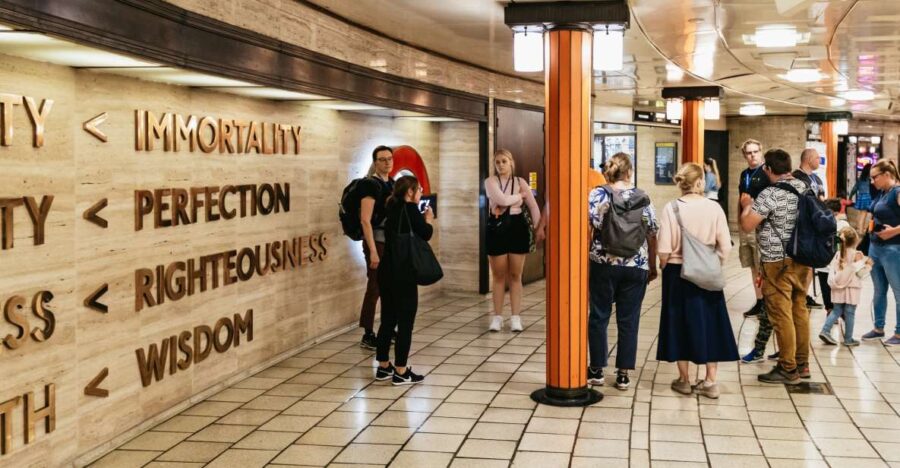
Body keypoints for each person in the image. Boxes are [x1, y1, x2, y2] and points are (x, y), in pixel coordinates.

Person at [656, 163, 738, 399]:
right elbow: (725, 246)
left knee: (679, 323)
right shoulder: (714, 209)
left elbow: (664, 249)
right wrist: (712, 264)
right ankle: (710, 381)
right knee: (711, 322)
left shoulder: (671, 209)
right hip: (707, 274)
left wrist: (664, 266)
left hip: (677, 273)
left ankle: (684, 379)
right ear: (700, 182)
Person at [587, 153, 658, 390]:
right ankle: (623, 373)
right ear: (630, 171)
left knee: (599, 315)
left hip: (603, 263)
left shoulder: (598, 194)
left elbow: (592, 223)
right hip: (635, 265)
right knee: (629, 320)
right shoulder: (643, 196)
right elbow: (652, 231)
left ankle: (596, 369)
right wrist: (652, 265)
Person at [739, 149, 811, 384]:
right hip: (803, 260)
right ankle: (802, 363)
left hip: (777, 262)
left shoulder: (770, 193)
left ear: (768, 169)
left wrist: (747, 205)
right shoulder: (806, 188)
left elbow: (748, 225)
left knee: (781, 315)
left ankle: (788, 368)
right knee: (799, 309)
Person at [374, 176, 434, 385]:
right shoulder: (410, 210)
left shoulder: (391, 208)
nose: (421, 193)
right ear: (410, 191)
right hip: (404, 274)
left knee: (388, 320)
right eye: (419, 189)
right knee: (406, 322)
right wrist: (428, 219)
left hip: (386, 271)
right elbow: (426, 234)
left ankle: (383, 366)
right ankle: (401, 370)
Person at [484, 149, 540, 332]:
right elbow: (501, 199)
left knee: (516, 275)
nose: (500, 165)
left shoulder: (520, 181)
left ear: (511, 162)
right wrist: (519, 197)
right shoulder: (490, 182)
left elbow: (533, 205)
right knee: (499, 275)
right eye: (497, 162)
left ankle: (516, 317)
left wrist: (539, 229)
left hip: (518, 228)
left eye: (504, 161)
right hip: (497, 228)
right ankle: (497, 317)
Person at [860, 160, 900, 346]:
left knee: (898, 291)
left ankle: (899, 333)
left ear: (886, 174)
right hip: (875, 247)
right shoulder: (883, 193)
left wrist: (892, 231)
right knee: (879, 290)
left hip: (893, 249)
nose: (873, 181)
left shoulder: (897, 192)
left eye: (875, 177)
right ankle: (878, 328)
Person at [358, 145, 395, 349]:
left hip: (390, 243)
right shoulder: (370, 185)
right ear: (375, 162)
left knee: (389, 288)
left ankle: (386, 329)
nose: (387, 162)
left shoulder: (393, 184)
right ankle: (368, 332)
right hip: (377, 242)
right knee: (374, 287)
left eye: (389, 158)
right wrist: (372, 250)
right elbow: (365, 220)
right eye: (382, 159)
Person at [819, 227, 870, 347]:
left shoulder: (838, 253)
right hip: (852, 288)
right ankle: (848, 339)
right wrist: (868, 265)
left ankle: (825, 331)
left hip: (838, 286)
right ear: (856, 241)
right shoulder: (857, 254)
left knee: (836, 310)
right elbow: (860, 273)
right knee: (850, 312)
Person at [737, 139, 768, 319]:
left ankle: (767, 301)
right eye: (749, 153)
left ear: (760, 152)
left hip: (761, 225)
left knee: (762, 264)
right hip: (746, 224)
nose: (753, 155)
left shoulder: (766, 173)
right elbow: (741, 199)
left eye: (755, 151)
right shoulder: (744, 174)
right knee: (752, 265)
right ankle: (759, 300)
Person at [793, 148, 827, 310]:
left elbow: (821, 200)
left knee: (811, 264)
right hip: (801, 228)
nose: (819, 161)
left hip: (815, 227)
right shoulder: (795, 177)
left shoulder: (817, 179)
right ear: (808, 159)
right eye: (817, 158)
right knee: (801, 264)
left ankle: (805, 295)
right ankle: (798, 295)